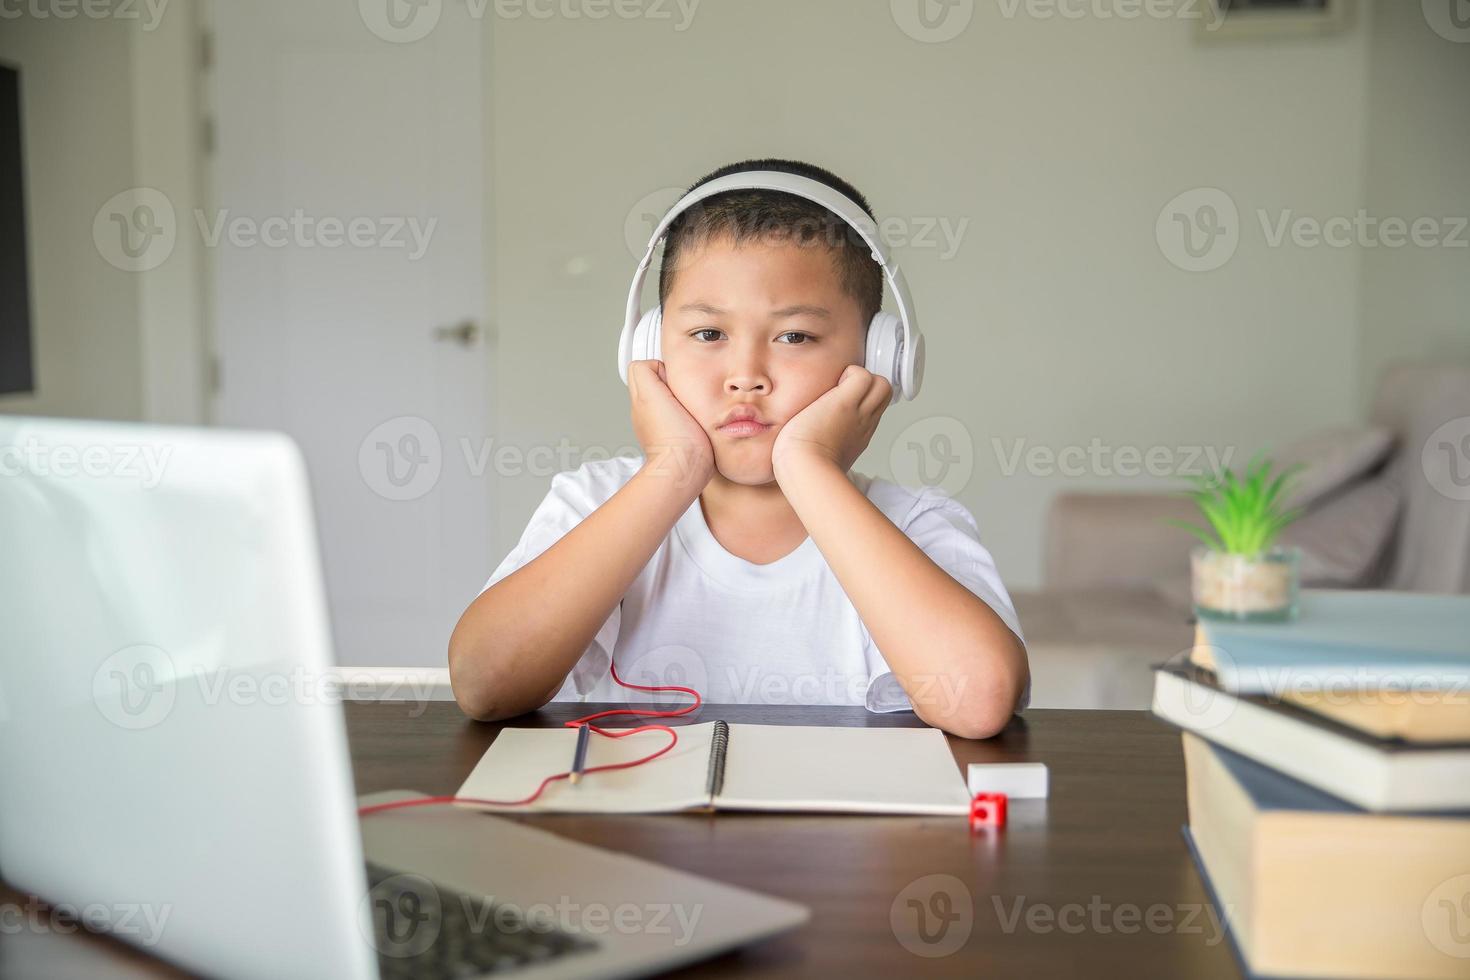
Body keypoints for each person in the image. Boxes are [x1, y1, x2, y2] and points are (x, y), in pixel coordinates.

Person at [448, 158, 1029, 739]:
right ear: (648, 348)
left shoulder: (917, 525)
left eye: (794, 336)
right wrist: (672, 472)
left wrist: (809, 468)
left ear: (879, 357)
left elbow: (977, 702)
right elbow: (485, 684)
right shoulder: (593, 501)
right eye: (708, 334)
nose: (745, 375)